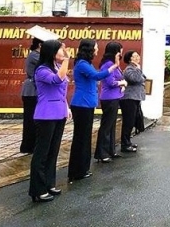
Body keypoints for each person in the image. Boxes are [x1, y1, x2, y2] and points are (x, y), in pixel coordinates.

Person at [68, 40, 121, 183]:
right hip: (81, 104)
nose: (97, 50)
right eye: (96, 48)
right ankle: (76, 170)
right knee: (81, 139)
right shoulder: (82, 65)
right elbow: (97, 76)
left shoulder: (87, 64)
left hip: (88, 104)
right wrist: (114, 66)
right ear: (89, 49)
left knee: (85, 138)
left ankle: (83, 168)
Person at [28, 39, 70, 203]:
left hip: (59, 113)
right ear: (52, 52)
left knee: (53, 151)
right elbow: (57, 80)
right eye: (60, 50)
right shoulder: (42, 70)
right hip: (46, 114)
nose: (63, 53)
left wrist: (66, 107)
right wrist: (67, 59)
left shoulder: (57, 67)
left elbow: (62, 88)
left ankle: (49, 183)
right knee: (42, 153)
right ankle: (37, 190)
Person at [95, 42, 127, 162]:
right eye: (120, 50)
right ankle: (102, 153)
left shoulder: (115, 64)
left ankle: (111, 150)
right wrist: (122, 83)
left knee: (112, 125)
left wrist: (122, 84)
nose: (121, 52)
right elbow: (110, 82)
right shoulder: (107, 64)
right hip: (109, 98)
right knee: (106, 126)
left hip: (115, 96)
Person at [119, 51, 146, 153]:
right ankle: (124, 144)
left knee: (132, 121)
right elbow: (137, 79)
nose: (138, 57)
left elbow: (144, 78)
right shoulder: (129, 69)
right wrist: (138, 70)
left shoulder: (135, 68)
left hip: (135, 98)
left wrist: (139, 71)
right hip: (128, 99)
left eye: (138, 55)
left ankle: (128, 142)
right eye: (135, 56)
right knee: (128, 122)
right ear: (130, 59)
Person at [20, 37, 42, 154]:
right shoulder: (34, 55)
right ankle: (28, 146)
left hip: (35, 90)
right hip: (30, 91)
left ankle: (32, 145)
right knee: (30, 119)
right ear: (40, 45)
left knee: (35, 119)